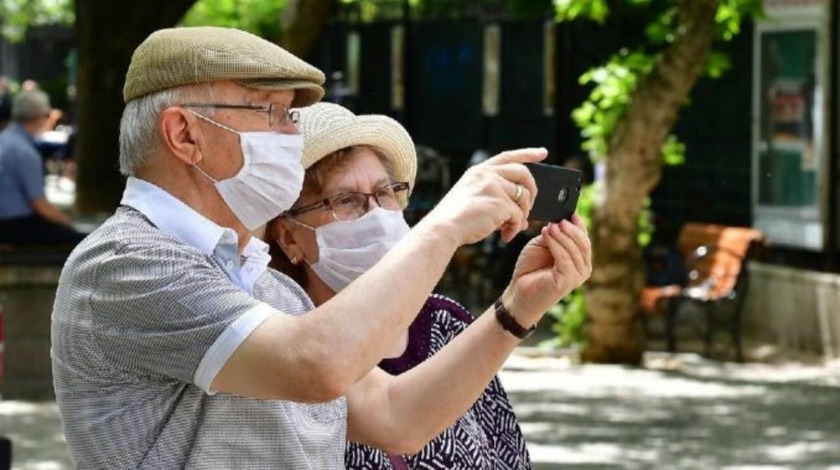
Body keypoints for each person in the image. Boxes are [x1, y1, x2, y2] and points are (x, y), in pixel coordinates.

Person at [51, 26, 591, 469]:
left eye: (290, 114)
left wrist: (517, 308)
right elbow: (314, 364)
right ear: (185, 135)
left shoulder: (266, 286)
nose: (291, 135)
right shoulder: (125, 263)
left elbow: (394, 416)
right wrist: (445, 225)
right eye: (270, 113)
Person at [265, 103, 532, 469]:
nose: (375, 215)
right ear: (288, 237)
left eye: (385, 192)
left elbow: (509, 457)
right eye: (346, 200)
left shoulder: (445, 323)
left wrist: (528, 297)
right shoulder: (280, 338)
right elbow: (394, 418)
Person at [0, 90, 84, 245]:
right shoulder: (24, 151)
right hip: (13, 225)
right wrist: (67, 223)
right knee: (80, 241)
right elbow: (39, 204)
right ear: (38, 116)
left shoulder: (5, 140)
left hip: (7, 221)